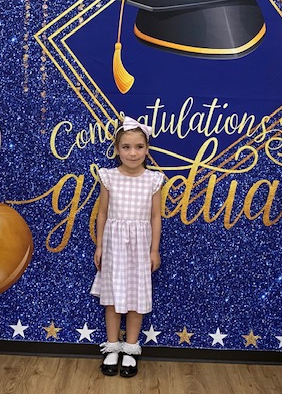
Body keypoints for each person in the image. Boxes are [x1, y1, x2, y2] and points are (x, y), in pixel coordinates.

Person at [91, 116, 164, 378]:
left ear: (147, 149)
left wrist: (154, 250)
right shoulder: (109, 177)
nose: (133, 153)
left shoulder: (153, 180)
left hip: (140, 247)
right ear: (117, 149)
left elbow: (155, 216)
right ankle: (112, 347)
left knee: (135, 300)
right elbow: (102, 214)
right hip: (114, 247)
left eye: (139, 147)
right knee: (112, 300)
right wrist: (100, 246)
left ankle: (131, 349)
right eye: (126, 147)